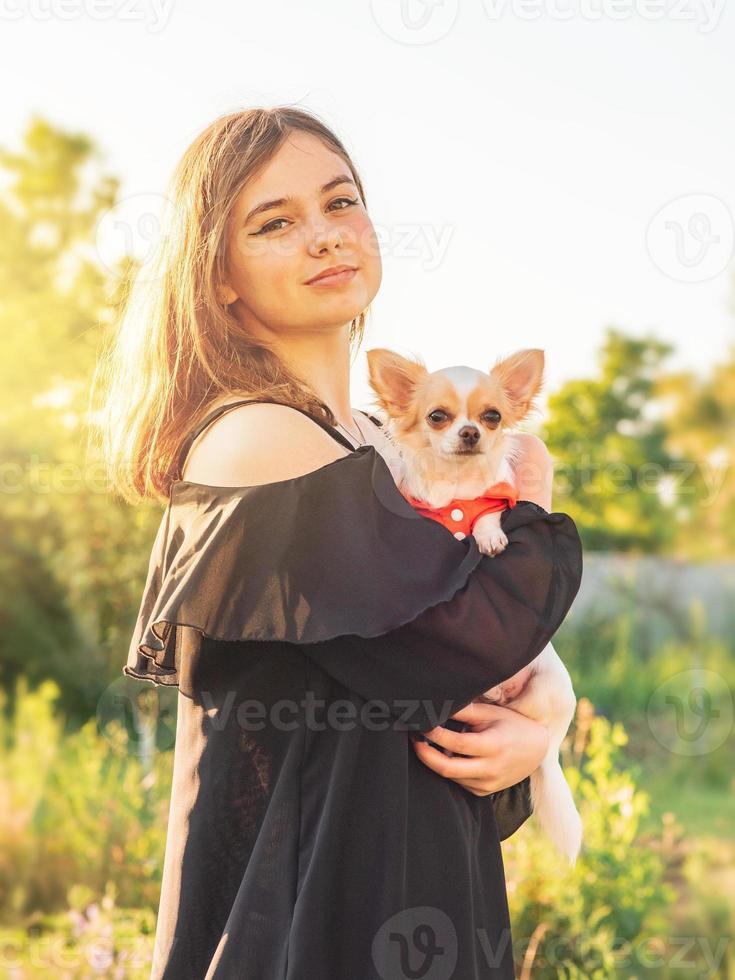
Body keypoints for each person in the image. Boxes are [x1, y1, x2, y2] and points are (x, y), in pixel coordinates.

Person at [94, 106, 583, 980]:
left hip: (403, 875)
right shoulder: (259, 439)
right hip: (309, 906)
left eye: (340, 202)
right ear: (218, 278)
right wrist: (535, 505)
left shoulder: (373, 442)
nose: (324, 237)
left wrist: (537, 729)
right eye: (274, 222)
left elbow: (446, 679)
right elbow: (450, 649)